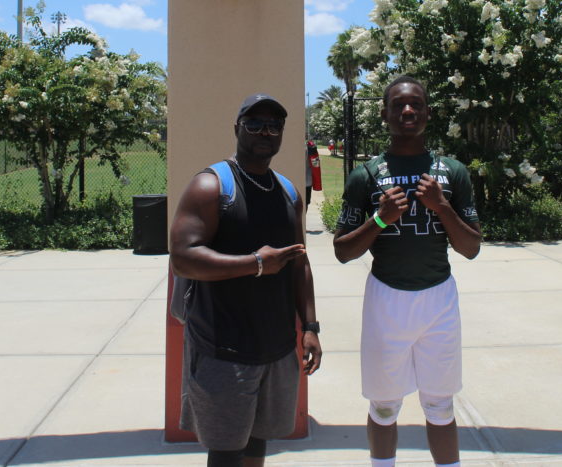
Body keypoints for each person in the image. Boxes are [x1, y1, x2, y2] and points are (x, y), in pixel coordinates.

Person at [333, 76, 481, 467]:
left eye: (415, 103)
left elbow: (471, 248)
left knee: (440, 404)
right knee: (384, 406)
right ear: (385, 114)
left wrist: (442, 207)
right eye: (398, 105)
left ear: (428, 112)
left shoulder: (452, 172)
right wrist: (381, 219)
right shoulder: (366, 175)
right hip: (387, 298)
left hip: (438, 298)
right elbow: (343, 251)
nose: (408, 110)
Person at [170, 93, 322, 467]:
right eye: (254, 124)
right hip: (222, 350)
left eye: (274, 125)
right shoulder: (211, 186)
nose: (265, 132)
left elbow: (299, 264)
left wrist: (310, 327)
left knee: (257, 443)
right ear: (237, 128)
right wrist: (254, 264)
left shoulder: (288, 192)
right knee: (225, 452)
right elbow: (183, 259)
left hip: (276, 347)